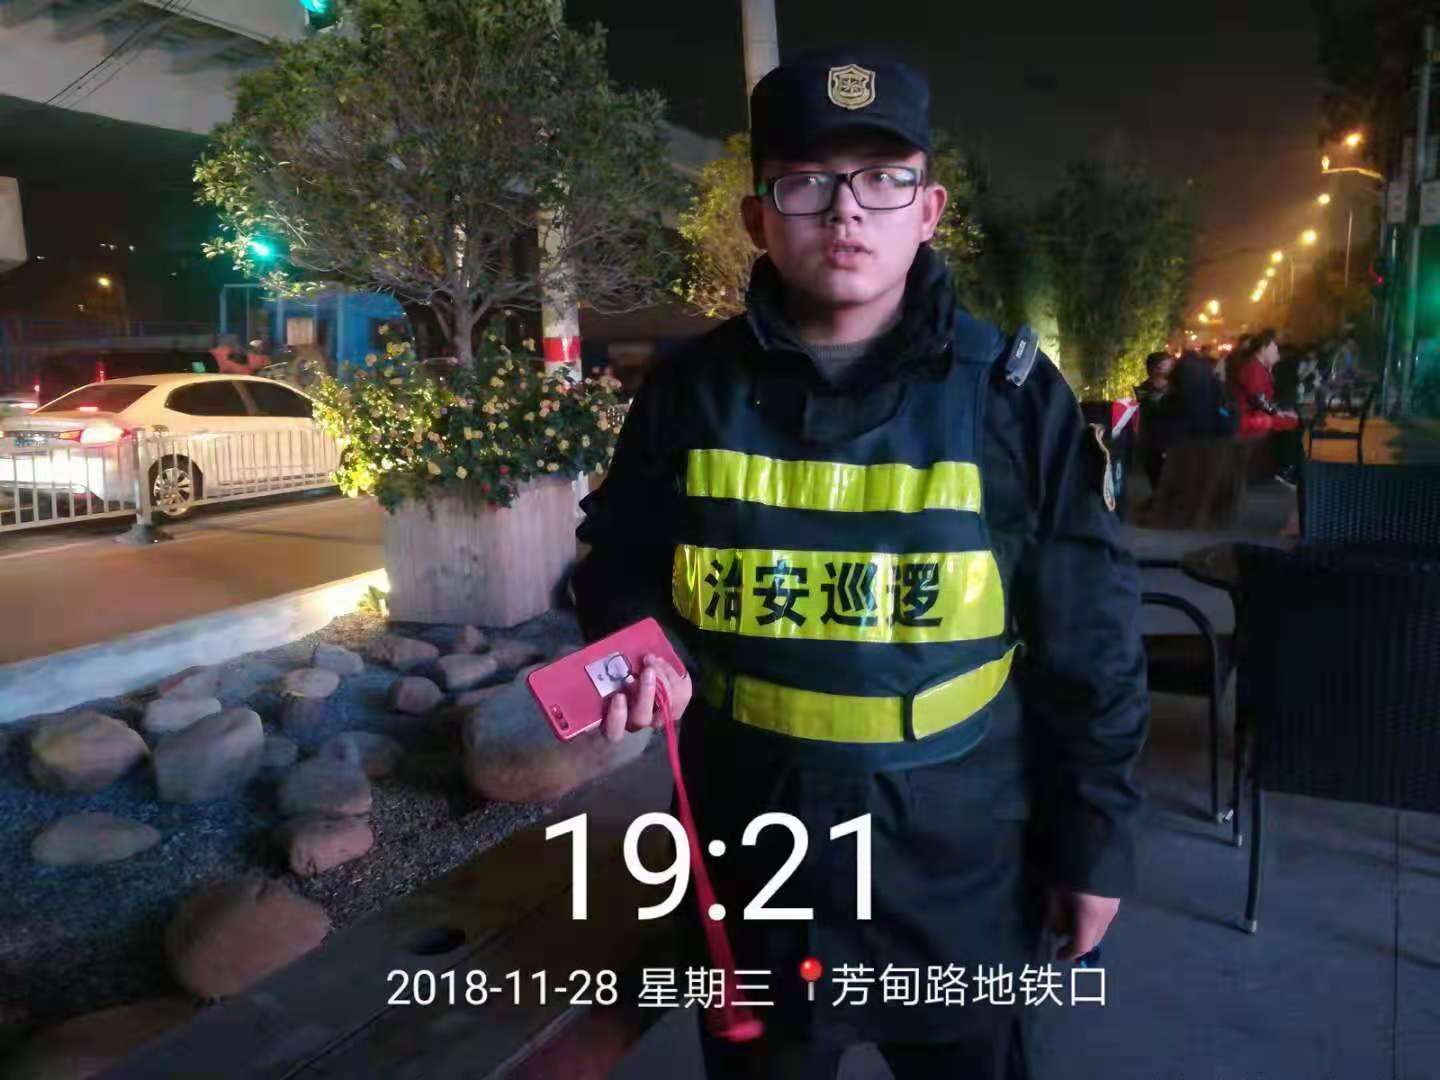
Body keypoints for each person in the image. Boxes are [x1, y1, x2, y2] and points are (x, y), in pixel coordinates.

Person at [571, 51, 1147, 1080]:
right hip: (757, 853)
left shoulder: (1012, 397)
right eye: (807, 181)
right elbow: (618, 562)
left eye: (882, 180)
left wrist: (1093, 844)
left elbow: (1090, 641)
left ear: (927, 211)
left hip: (962, 860)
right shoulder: (690, 392)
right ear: (758, 217)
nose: (846, 211)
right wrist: (635, 648)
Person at [1231, 328, 1302, 486]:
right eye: (1274, 349)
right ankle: (1284, 469)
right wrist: (1277, 413)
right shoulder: (1254, 367)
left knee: (1292, 417)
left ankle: (1287, 466)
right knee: (1291, 422)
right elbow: (1258, 398)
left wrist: (1279, 410)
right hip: (1248, 416)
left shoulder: (1259, 367)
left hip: (1254, 412)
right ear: (1263, 349)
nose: (1277, 353)